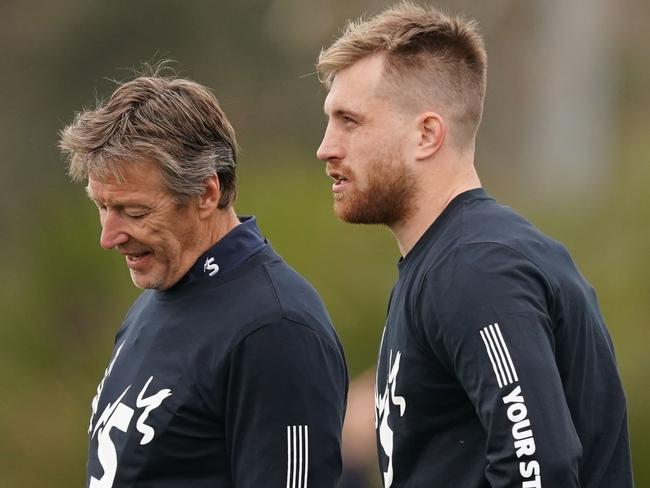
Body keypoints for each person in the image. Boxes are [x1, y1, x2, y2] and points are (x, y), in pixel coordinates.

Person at [315, 2, 633, 487]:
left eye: (350, 121)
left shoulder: (475, 269)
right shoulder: (445, 261)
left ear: (426, 134)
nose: (326, 147)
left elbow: (537, 469)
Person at [59, 70, 348, 488]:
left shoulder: (276, 329)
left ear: (207, 193)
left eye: (135, 212)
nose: (109, 237)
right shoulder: (155, 297)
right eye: (102, 207)